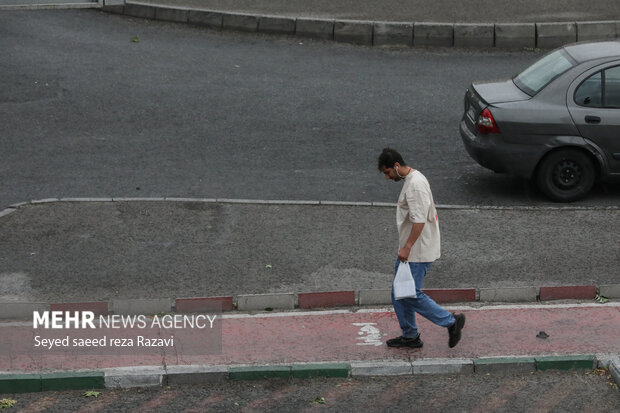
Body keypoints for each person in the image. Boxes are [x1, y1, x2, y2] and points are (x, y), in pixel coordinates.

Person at [377, 147, 465, 349]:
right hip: (414, 249)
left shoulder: (415, 185)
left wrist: (407, 247)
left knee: (409, 293)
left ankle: (451, 322)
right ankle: (410, 335)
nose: (388, 178)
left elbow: (418, 221)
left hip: (417, 250)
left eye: (388, 172)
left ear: (396, 166)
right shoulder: (413, 180)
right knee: (399, 292)